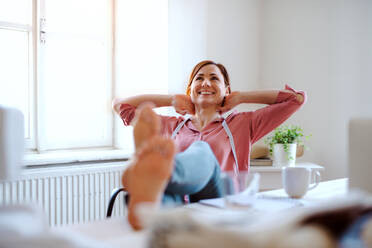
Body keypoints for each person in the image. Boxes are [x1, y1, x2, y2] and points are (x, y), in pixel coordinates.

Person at [112, 60, 306, 230]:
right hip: (183, 207)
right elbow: (122, 106)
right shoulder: (171, 125)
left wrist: (240, 97)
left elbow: (295, 99)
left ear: (226, 90)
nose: (206, 83)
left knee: (202, 150)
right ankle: (146, 209)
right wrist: (170, 100)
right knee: (164, 197)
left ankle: (156, 172)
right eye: (199, 79)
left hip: (220, 203)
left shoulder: (242, 124)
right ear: (189, 91)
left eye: (214, 79)